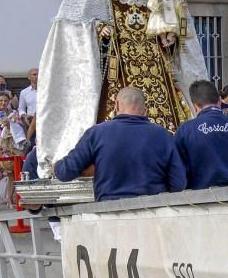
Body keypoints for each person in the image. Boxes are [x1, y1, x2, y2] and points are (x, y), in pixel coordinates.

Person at [38, 0, 209, 179]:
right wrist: (103, 31)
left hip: (153, 59)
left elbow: (170, 19)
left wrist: (168, 34)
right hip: (121, 61)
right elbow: (86, 26)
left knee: (165, 102)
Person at [54, 86, 187, 201]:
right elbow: (179, 184)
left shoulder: (96, 133)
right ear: (145, 110)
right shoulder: (163, 135)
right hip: (153, 213)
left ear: (116, 106)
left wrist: (55, 167)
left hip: (109, 212)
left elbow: (66, 172)